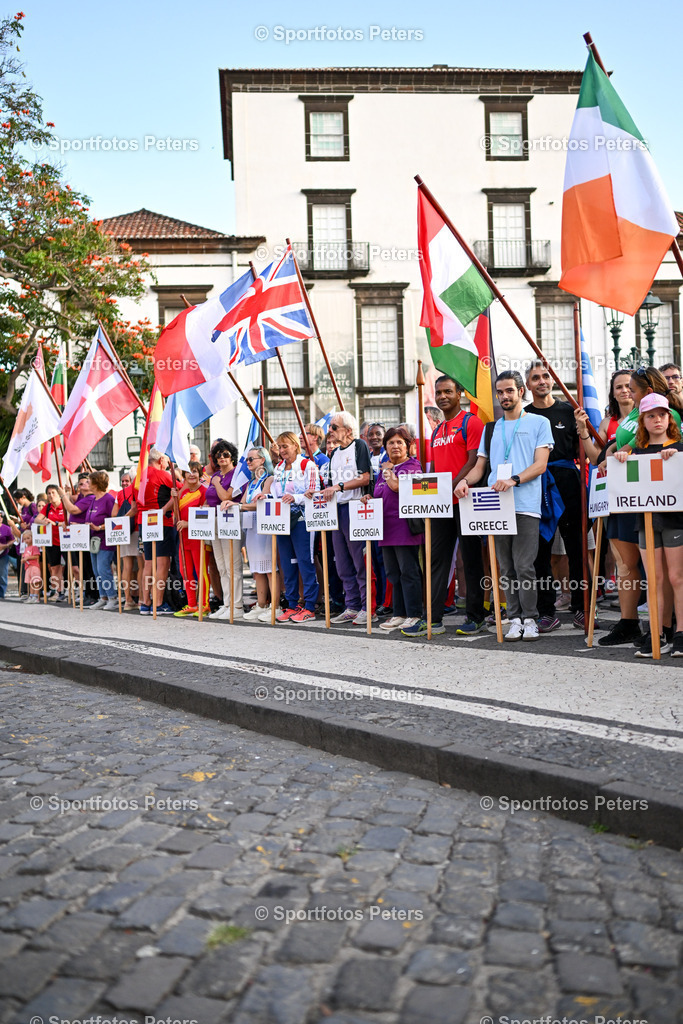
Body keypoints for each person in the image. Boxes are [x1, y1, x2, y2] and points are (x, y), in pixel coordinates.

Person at [455, 371, 554, 642]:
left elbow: (541, 464)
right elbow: (479, 467)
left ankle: (530, 618)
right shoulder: (492, 428)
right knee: (504, 566)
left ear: (521, 391)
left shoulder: (539, 422)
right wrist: (464, 482)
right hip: (495, 505)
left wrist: (514, 480)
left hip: (525, 504)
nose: (504, 396)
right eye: (500, 392)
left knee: (525, 565)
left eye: (509, 390)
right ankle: (514, 618)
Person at [595, 367, 681, 647]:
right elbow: (628, 444)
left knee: (668, 573)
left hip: (658, 499)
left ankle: (669, 629)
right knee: (628, 566)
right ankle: (636, 624)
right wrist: (610, 451)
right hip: (629, 493)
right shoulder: (633, 415)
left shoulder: (666, 413)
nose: (627, 392)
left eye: (631, 387)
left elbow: (642, 445)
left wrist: (617, 453)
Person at [404, 374, 486, 638]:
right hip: (441, 505)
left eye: (447, 391)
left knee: (471, 559)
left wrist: (452, 483)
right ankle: (433, 618)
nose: (442, 397)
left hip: (465, 499)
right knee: (436, 560)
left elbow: (474, 460)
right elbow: (436, 470)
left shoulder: (470, 423)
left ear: (459, 394)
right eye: (438, 392)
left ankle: (475, 616)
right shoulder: (438, 429)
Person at [525, 360, 590, 632]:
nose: (542, 381)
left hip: (567, 483)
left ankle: (581, 608)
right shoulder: (524, 415)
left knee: (576, 547)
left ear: (552, 379)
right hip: (536, 486)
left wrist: (583, 427)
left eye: (546, 376)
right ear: (527, 385)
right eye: (536, 377)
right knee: (539, 551)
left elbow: (585, 450)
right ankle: (546, 611)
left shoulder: (569, 410)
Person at [368, 426, 423, 631]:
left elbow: (398, 487)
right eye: (390, 443)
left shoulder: (412, 466)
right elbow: (380, 494)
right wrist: (369, 498)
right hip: (385, 528)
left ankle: (414, 613)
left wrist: (388, 471)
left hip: (405, 528)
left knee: (409, 572)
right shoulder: (385, 471)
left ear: (408, 446)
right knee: (393, 574)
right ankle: (399, 613)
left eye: (400, 442)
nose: (395, 446)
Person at [320, 412, 373, 626]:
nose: (329, 431)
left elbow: (365, 477)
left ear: (347, 430)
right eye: (330, 427)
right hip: (337, 510)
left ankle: (367, 606)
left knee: (359, 560)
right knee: (342, 563)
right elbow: (331, 484)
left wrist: (338, 486)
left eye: (334, 427)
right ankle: (351, 605)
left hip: (355, 507)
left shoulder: (358, 446)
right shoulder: (334, 454)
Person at [266, 432, 320, 623]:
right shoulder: (279, 467)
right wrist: (265, 497)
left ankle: (310, 606)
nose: (281, 451)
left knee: (305, 561)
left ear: (295, 446)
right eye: (279, 447)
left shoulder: (307, 465)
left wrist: (296, 498)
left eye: (285, 446)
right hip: (282, 520)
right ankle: (291, 604)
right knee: (287, 564)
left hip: (303, 519)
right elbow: (276, 493)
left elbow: (315, 492)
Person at [225, 447, 275, 622]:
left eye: (251, 459)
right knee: (257, 569)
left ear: (262, 460)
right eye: (246, 460)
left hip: (266, 527)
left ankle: (274, 606)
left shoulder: (269, 479)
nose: (248, 462)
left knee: (270, 568)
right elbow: (245, 502)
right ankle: (261, 604)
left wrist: (239, 506)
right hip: (252, 527)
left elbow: (262, 502)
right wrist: (238, 505)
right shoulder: (252, 482)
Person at [61, 472, 117, 610]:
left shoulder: (108, 499)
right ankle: (102, 597)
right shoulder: (92, 500)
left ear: (96, 484)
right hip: (92, 540)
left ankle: (112, 597)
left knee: (103, 569)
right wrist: (79, 526)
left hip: (104, 540)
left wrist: (99, 527)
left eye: (89, 481)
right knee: (96, 570)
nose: (87, 484)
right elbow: (88, 520)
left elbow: (114, 520)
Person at [136, 448, 177, 615]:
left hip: (144, 521)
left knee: (148, 563)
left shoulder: (140, 476)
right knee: (162, 564)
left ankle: (145, 602)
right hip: (162, 522)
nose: (168, 464)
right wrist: (165, 509)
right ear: (161, 460)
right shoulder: (163, 474)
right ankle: (158, 603)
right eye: (167, 461)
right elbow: (180, 490)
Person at [206, 440, 243, 621]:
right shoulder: (217, 475)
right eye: (218, 455)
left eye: (225, 454)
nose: (221, 457)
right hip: (215, 520)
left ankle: (237, 605)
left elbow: (226, 496)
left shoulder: (236, 474)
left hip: (230, 520)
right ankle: (227, 603)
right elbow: (209, 500)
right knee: (221, 566)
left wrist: (216, 482)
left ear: (232, 456)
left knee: (232, 565)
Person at [173, 462, 209, 617]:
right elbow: (177, 515)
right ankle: (192, 604)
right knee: (185, 571)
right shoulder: (182, 492)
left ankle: (205, 604)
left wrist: (189, 523)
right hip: (183, 538)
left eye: (195, 471)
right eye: (189, 472)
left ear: (200, 474)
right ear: (185, 475)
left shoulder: (204, 492)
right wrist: (174, 498)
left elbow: (205, 515)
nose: (192, 474)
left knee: (201, 571)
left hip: (198, 538)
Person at [64, 473, 97, 606]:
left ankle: (93, 594)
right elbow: (71, 503)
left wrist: (63, 495)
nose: (81, 484)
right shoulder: (81, 497)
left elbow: (73, 510)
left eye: (85, 482)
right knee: (83, 567)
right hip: (79, 536)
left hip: (86, 535)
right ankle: (88, 593)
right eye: (80, 482)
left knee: (88, 567)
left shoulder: (90, 497)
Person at [112, 469, 141, 612]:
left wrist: (122, 520)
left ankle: (128, 600)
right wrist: (128, 517)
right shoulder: (137, 489)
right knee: (142, 565)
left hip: (123, 530)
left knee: (126, 566)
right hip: (136, 528)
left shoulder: (120, 493)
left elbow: (113, 514)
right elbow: (136, 509)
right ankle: (142, 599)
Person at [33, 484, 66, 602]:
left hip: (67, 540)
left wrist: (55, 523)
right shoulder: (47, 507)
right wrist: (44, 521)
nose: (51, 495)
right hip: (52, 542)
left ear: (58, 494)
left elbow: (68, 522)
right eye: (49, 493)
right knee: (55, 568)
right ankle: (60, 591)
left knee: (74, 567)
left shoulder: (65, 505)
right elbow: (37, 519)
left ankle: (78, 590)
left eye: (53, 493)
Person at [21, 528, 42, 603]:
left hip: (34, 566)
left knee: (35, 582)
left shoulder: (34, 546)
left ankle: (36, 597)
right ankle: (31, 595)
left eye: (28, 538)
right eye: (25, 539)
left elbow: (37, 556)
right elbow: (25, 557)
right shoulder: (26, 548)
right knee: (30, 582)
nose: (26, 540)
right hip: (28, 567)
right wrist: (24, 560)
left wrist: (27, 558)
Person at [0, 512, 14, 599]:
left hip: (3, 554)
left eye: (1, 516)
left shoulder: (7, 529)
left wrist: (4, 546)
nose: (0, 517)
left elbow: (12, 540)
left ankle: (1, 594)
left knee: (2, 574)